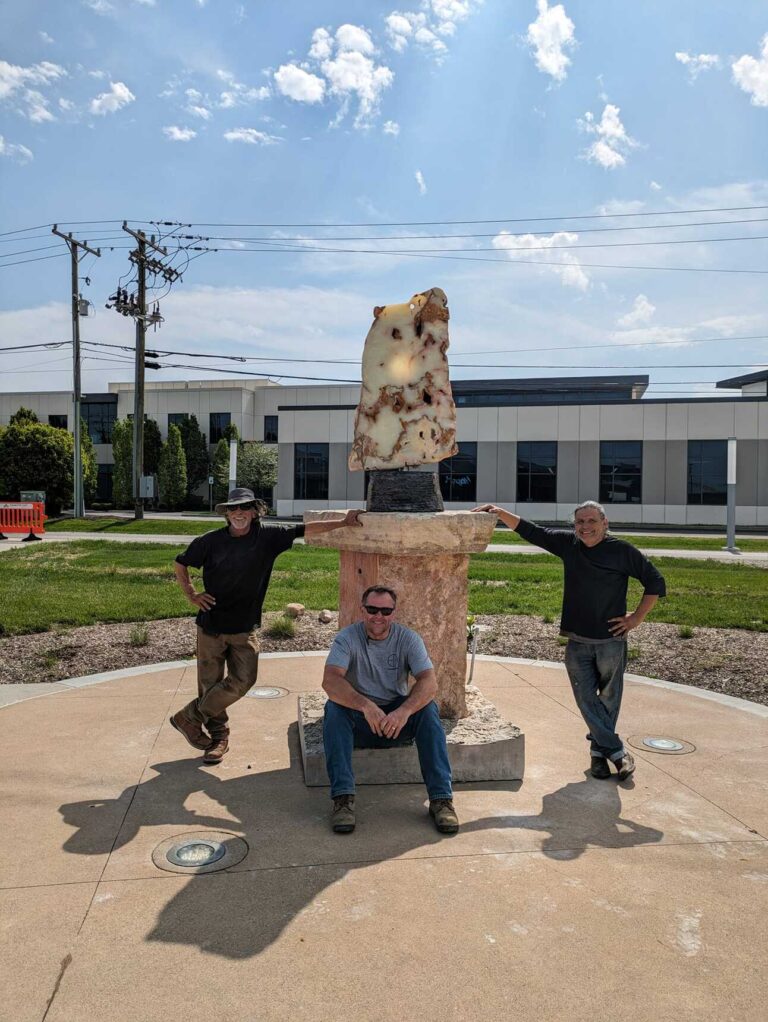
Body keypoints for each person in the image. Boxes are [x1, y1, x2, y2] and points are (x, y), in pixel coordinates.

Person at [472, 500, 666, 781]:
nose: (585, 527)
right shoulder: (568, 545)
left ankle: (599, 756)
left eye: (591, 521)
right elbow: (532, 531)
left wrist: (636, 618)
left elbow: (655, 582)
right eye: (580, 522)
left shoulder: (622, 551)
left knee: (609, 699)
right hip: (577, 640)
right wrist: (500, 513)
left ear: (605, 523)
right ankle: (617, 753)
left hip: (611, 641)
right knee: (587, 699)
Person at [171, 487, 363, 765]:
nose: (238, 513)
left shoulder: (269, 537)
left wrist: (344, 522)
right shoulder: (210, 542)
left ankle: (189, 716)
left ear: (254, 511)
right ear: (227, 514)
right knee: (210, 685)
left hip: (244, 627)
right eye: (233, 509)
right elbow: (180, 563)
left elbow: (306, 529)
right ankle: (218, 738)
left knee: (243, 680)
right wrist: (192, 595)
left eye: (244, 508)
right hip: (210, 626)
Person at [322, 585, 458, 835]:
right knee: (334, 710)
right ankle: (343, 800)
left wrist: (404, 711)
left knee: (428, 710)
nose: (378, 616)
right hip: (362, 719)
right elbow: (330, 681)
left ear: (393, 613)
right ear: (362, 610)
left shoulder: (408, 639)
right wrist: (365, 705)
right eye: (372, 609)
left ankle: (441, 799)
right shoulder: (346, 638)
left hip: (397, 720)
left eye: (385, 611)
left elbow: (429, 682)